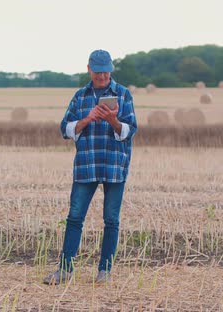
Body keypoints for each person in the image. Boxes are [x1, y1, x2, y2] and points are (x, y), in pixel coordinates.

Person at [43, 49, 138, 285]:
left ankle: (104, 271)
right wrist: (88, 118)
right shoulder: (80, 96)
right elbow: (65, 129)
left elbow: (129, 131)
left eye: (106, 72)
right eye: (98, 72)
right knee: (75, 217)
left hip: (114, 166)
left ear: (111, 70)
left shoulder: (123, 95)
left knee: (111, 220)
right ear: (89, 70)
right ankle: (65, 270)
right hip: (86, 165)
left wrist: (112, 120)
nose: (103, 76)